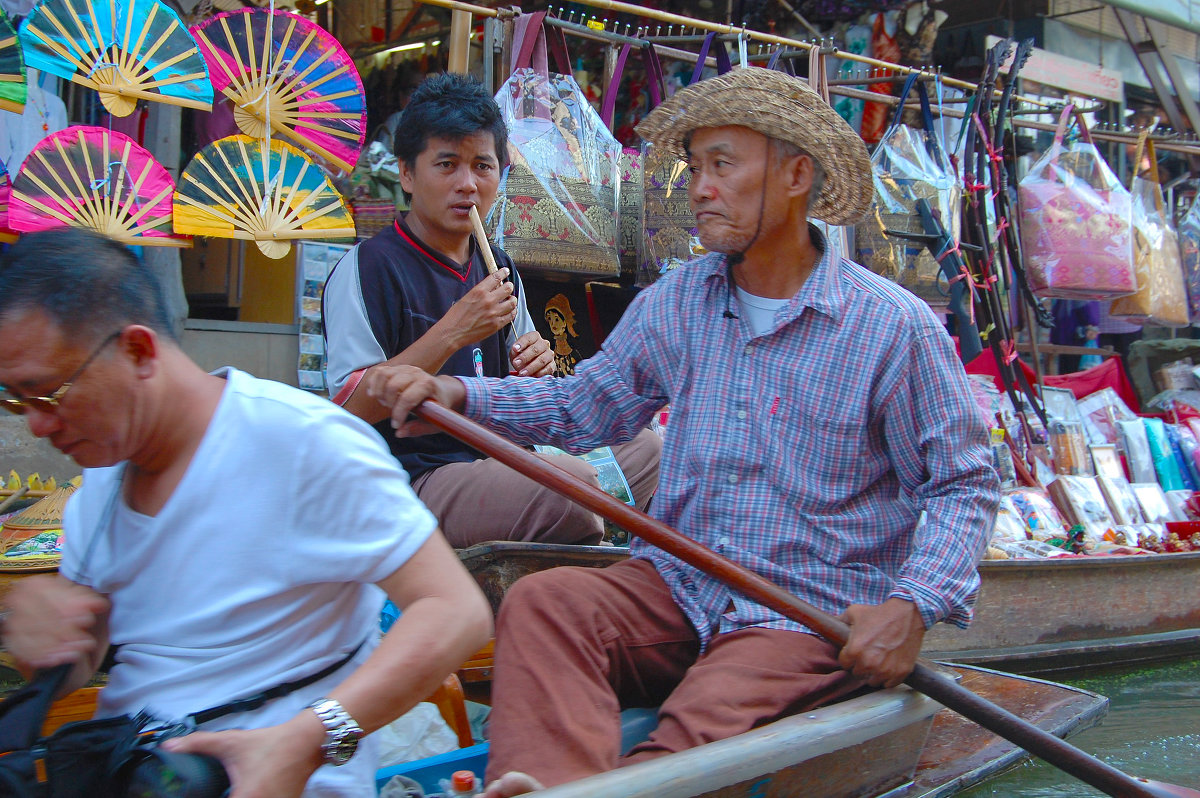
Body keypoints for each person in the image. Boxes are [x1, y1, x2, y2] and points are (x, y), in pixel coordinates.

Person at [364, 67, 1001, 796]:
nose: (698, 186)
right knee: (546, 603)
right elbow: (582, 410)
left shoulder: (892, 326)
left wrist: (912, 606)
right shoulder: (681, 299)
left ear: (795, 175)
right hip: (679, 587)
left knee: (700, 723)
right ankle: (540, 784)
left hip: (799, 615)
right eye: (695, 166)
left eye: (723, 165)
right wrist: (455, 390)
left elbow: (963, 483)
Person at [0, 229, 492, 798]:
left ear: (137, 351)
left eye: (49, 394)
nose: (36, 423)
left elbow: (456, 612)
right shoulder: (105, 479)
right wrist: (48, 635)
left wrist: (306, 739)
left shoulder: (301, 442)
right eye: (15, 400)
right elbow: (98, 648)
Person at [323, 72, 660, 549]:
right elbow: (347, 414)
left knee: (648, 448)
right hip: (418, 478)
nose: (467, 184)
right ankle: (583, 539)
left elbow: (526, 395)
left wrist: (535, 370)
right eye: (446, 165)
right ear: (406, 173)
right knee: (570, 486)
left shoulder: (497, 266)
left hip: (506, 457)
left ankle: (582, 537)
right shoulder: (370, 267)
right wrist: (454, 331)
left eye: (483, 166)